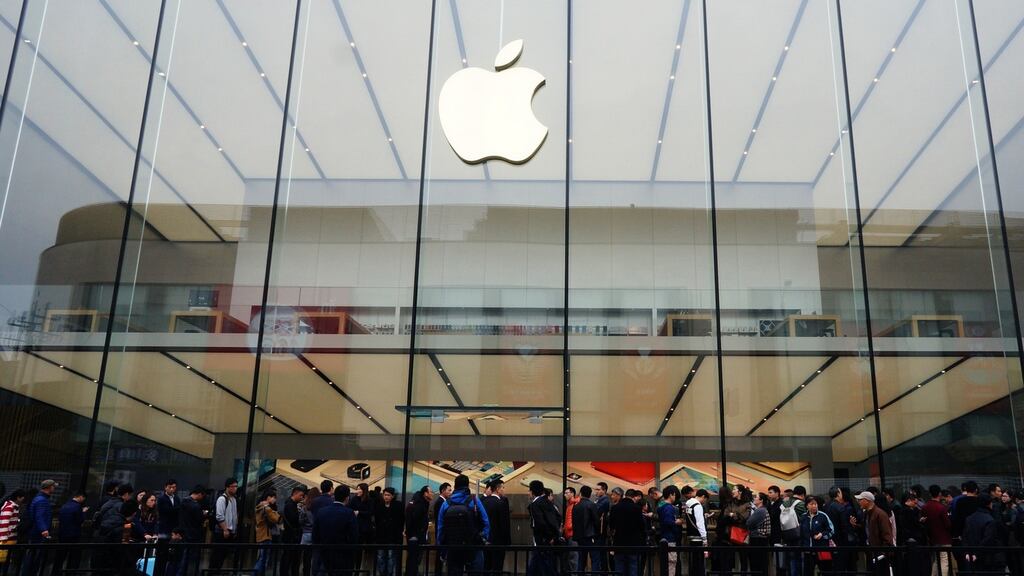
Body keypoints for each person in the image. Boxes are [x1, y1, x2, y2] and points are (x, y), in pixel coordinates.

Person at [438, 474, 490, 576]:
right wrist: (483, 537)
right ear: (468, 486)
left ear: (455, 486)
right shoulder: (474, 500)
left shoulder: (446, 503)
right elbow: (486, 522)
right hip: (473, 545)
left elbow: (441, 528)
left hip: (453, 547)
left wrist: (442, 548)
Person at [313, 484, 359, 574]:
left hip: (325, 552)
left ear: (334, 496)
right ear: (347, 498)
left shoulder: (321, 511)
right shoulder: (349, 513)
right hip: (343, 554)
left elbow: (315, 533)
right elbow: (354, 535)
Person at [20, 479, 56, 576]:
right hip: (38, 533)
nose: (54, 488)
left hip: (36, 532)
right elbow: (39, 516)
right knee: (34, 556)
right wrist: (44, 530)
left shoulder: (39, 498)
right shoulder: (42, 500)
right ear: (49, 487)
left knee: (33, 555)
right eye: (53, 486)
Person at [609, 488, 646, 576]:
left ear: (625, 495)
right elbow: (642, 526)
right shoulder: (637, 508)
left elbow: (611, 525)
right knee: (633, 567)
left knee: (619, 567)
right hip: (634, 543)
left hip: (619, 543)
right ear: (633, 497)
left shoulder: (615, 507)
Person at [527, 480, 561, 576]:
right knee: (541, 560)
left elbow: (540, 522)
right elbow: (558, 517)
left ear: (532, 491)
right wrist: (554, 535)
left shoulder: (535, 504)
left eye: (529, 490)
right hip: (550, 537)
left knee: (544, 561)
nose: (528, 493)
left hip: (542, 537)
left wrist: (549, 536)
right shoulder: (547, 501)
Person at [855, 491, 893, 576]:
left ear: (866, 501)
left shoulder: (880, 514)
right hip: (871, 551)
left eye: (860, 500)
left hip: (879, 553)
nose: (858, 502)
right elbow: (867, 529)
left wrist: (883, 553)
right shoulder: (867, 513)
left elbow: (887, 535)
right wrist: (856, 526)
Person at [963, 494, 1002, 574]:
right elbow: (988, 539)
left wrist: (967, 552)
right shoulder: (990, 519)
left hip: (971, 555)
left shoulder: (969, 518)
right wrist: (977, 553)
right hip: (986, 557)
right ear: (988, 504)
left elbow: (965, 536)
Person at [799, 496, 834, 576]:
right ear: (807, 506)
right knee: (808, 572)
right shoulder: (803, 517)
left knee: (825, 571)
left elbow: (831, 530)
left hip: (821, 549)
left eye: (815, 504)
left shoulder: (823, 515)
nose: (814, 506)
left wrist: (822, 534)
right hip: (808, 550)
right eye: (811, 504)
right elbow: (801, 533)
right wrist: (802, 546)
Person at [210, 477, 239, 571]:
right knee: (217, 555)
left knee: (223, 555)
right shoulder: (222, 499)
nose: (235, 488)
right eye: (233, 486)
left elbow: (234, 516)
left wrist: (234, 530)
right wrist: (225, 529)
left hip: (230, 531)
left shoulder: (234, 499)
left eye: (236, 486)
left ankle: (217, 571)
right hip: (222, 531)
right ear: (227, 487)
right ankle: (212, 572)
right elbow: (219, 516)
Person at [176, 485, 206, 576]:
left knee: (182, 557)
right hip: (194, 534)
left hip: (183, 533)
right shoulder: (196, 506)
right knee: (191, 559)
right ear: (199, 494)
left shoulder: (183, 502)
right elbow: (199, 520)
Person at [482, 479, 511, 573]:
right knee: (497, 567)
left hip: (485, 540)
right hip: (499, 541)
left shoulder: (484, 502)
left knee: (486, 566)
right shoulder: (501, 503)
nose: (504, 490)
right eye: (503, 487)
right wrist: (507, 542)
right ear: (498, 489)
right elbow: (504, 525)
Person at [923, 484, 952, 576]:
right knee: (944, 560)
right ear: (939, 494)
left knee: (936, 560)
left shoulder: (925, 507)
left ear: (930, 494)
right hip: (944, 538)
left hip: (933, 538)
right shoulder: (941, 507)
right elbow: (947, 524)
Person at [54, 489, 87, 572]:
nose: (83, 500)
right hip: (73, 535)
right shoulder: (77, 507)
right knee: (73, 557)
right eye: (84, 498)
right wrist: (83, 512)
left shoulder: (65, 505)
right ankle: (70, 572)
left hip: (62, 534)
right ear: (80, 497)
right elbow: (80, 520)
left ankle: (56, 572)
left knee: (60, 557)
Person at [375, 487, 405, 576]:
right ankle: (382, 573)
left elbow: (401, 520)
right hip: (381, 536)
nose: (386, 497)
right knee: (380, 556)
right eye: (385, 495)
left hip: (393, 536)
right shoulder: (379, 505)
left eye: (388, 495)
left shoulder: (398, 506)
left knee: (391, 557)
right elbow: (377, 520)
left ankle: (389, 573)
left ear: (392, 496)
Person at [406, 485, 434, 576]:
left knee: (414, 559)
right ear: (425, 493)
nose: (432, 494)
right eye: (431, 492)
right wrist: (416, 535)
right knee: (414, 559)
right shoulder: (420, 504)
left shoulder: (422, 502)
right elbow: (415, 520)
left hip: (416, 536)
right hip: (416, 537)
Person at [350, 483, 377, 572]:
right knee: (356, 549)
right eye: (357, 489)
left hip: (365, 528)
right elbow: (350, 509)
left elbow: (371, 512)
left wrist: (359, 512)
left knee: (363, 549)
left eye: (359, 489)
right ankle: (355, 568)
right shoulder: (354, 499)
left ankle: (362, 569)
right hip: (355, 526)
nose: (357, 491)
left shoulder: (370, 500)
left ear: (364, 490)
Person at [254, 488, 282, 576]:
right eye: (274, 497)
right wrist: (274, 511)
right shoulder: (266, 508)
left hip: (262, 534)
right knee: (263, 558)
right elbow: (276, 518)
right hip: (265, 535)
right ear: (268, 497)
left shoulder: (260, 506)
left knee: (262, 558)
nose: (275, 500)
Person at [781, 485, 807, 576]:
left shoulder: (784, 503)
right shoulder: (801, 504)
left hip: (786, 533)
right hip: (798, 534)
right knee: (797, 558)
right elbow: (805, 519)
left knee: (789, 557)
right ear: (803, 494)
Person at [573, 485, 600, 574]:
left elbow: (574, 522)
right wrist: (597, 534)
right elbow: (596, 521)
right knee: (595, 558)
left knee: (581, 559)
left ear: (580, 493)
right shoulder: (591, 505)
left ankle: (580, 573)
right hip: (590, 536)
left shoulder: (576, 506)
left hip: (579, 536)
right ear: (590, 494)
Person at [657, 486, 683, 576]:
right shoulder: (669, 507)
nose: (675, 498)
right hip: (670, 539)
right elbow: (668, 522)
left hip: (664, 537)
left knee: (666, 564)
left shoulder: (661, 506)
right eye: (675, 495)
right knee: (671, 564)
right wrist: (677, 522)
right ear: (672, 494)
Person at [281, 486, 306, 576]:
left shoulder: (291, 504)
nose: (302, 498)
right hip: (291, 536)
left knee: (290, 558)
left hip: (290, 535)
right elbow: (294, 519)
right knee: (289, 558)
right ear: (295, 493)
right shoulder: (290, 505)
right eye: (300, 495)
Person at [685, 489, 710, 576]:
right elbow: (700, 523)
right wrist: (704, 538)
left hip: (691, 535)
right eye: (705, 499)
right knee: (700, 562)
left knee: (694, 561)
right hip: (698, 537)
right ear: (703, 496)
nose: (704, 502)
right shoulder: (698, 506)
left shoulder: (688, 504)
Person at [747, 492, 771, 576]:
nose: (754, 498)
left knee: (756, 563)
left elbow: (749, 522)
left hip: (758, 539)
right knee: (761, 563)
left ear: (761, 500)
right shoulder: (762, 510)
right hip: (761, 539)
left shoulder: (760, 511)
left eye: (756, 497)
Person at [563, 487, 581, 575]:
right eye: (565, 493)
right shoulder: (570, 504)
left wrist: (569, 527)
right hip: (569, 533)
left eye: (567, 493)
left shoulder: (575, 504)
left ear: (572, 493)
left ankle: (574, 574)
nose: (565, 495)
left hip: (572, 534)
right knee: (571, 556)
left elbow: (577, 520)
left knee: (573, 556)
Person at [595, 482, 611, 573]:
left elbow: (596, 512)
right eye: (596, 489)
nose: (596, 491)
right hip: (600, 530)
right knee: (601, 553)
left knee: (601, 553)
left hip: (601, 531)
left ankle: (604, 571)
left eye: (598, 489)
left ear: (604, 490)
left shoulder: (604, 501)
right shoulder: (599, 500)